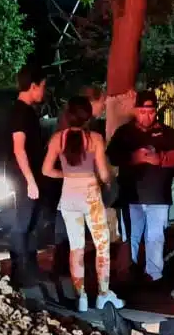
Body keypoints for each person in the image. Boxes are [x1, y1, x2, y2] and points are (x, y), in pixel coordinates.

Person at [43, 96, 123, 312]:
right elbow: (105, 173)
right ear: (88, 116)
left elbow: (46, 170)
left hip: (68, 199)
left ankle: (82, 298)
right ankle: (104, 294)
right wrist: (109, 183)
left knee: (76, 249)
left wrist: (68, 174)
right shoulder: (95, 139)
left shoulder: (57, 139)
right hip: (91, 196)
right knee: (102, 247)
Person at [107, 91, 174, 283]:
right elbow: (111, 156)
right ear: (136, 110)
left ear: (156, 111)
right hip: (130, 196)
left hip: (158, 196)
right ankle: (128, 274)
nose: (146, 116)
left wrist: (159, 159)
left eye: (150, 111)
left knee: (155, 238)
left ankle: (154, 276)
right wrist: (134, 157)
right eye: (142, 111)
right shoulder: (125, 133)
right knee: (130, 237)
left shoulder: (167, 133)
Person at [4, 67, 51, 287]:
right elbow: (19, 149)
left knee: (31, 225)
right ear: (33, 86)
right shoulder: (20, 112)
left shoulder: (27, 112)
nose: (44, 91)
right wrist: (30, 181)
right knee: (22, 225)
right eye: (43, 86)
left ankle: (29, 270)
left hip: (31, 177)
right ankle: (20, 272)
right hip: (24, 178)